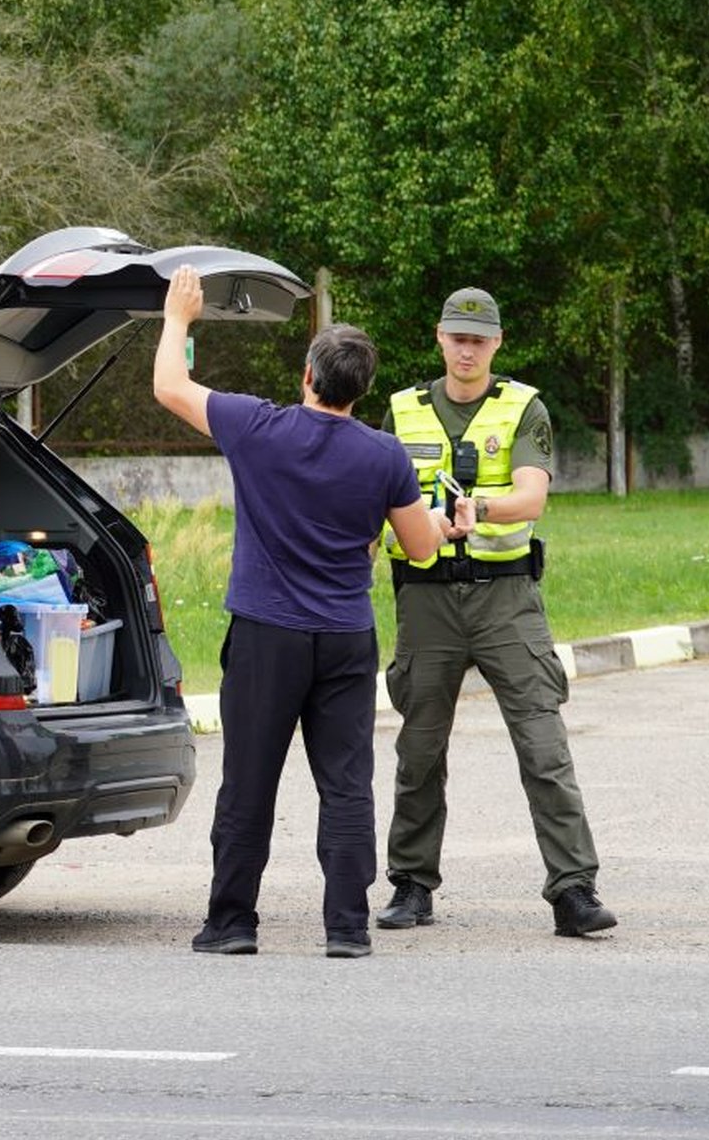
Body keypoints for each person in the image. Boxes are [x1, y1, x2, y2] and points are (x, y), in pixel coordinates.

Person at [153, 266, 444, 958]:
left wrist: (178, 318)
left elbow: (169, 386)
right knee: (346, 786)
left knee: (249, 780)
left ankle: (231, 925)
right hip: (345, 638)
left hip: (265, 634)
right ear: (360, 389)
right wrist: (438, 521)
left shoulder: (257, 427)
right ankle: (346, 928)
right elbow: (422, 549)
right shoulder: (385, 456)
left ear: (308, 375)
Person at [376, 288, 616, 938]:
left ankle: (573, 890)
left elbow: (532, 497)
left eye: (478, 339)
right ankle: (411, 884)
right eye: (457, 337)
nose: (466, 349)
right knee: (420, 748)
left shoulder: (522, 407)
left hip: (506, 599)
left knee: (543, 745)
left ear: (497, 343)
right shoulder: (403, 412)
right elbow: (378, 504)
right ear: (439, 337)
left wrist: (475, 510)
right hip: (426, 599)